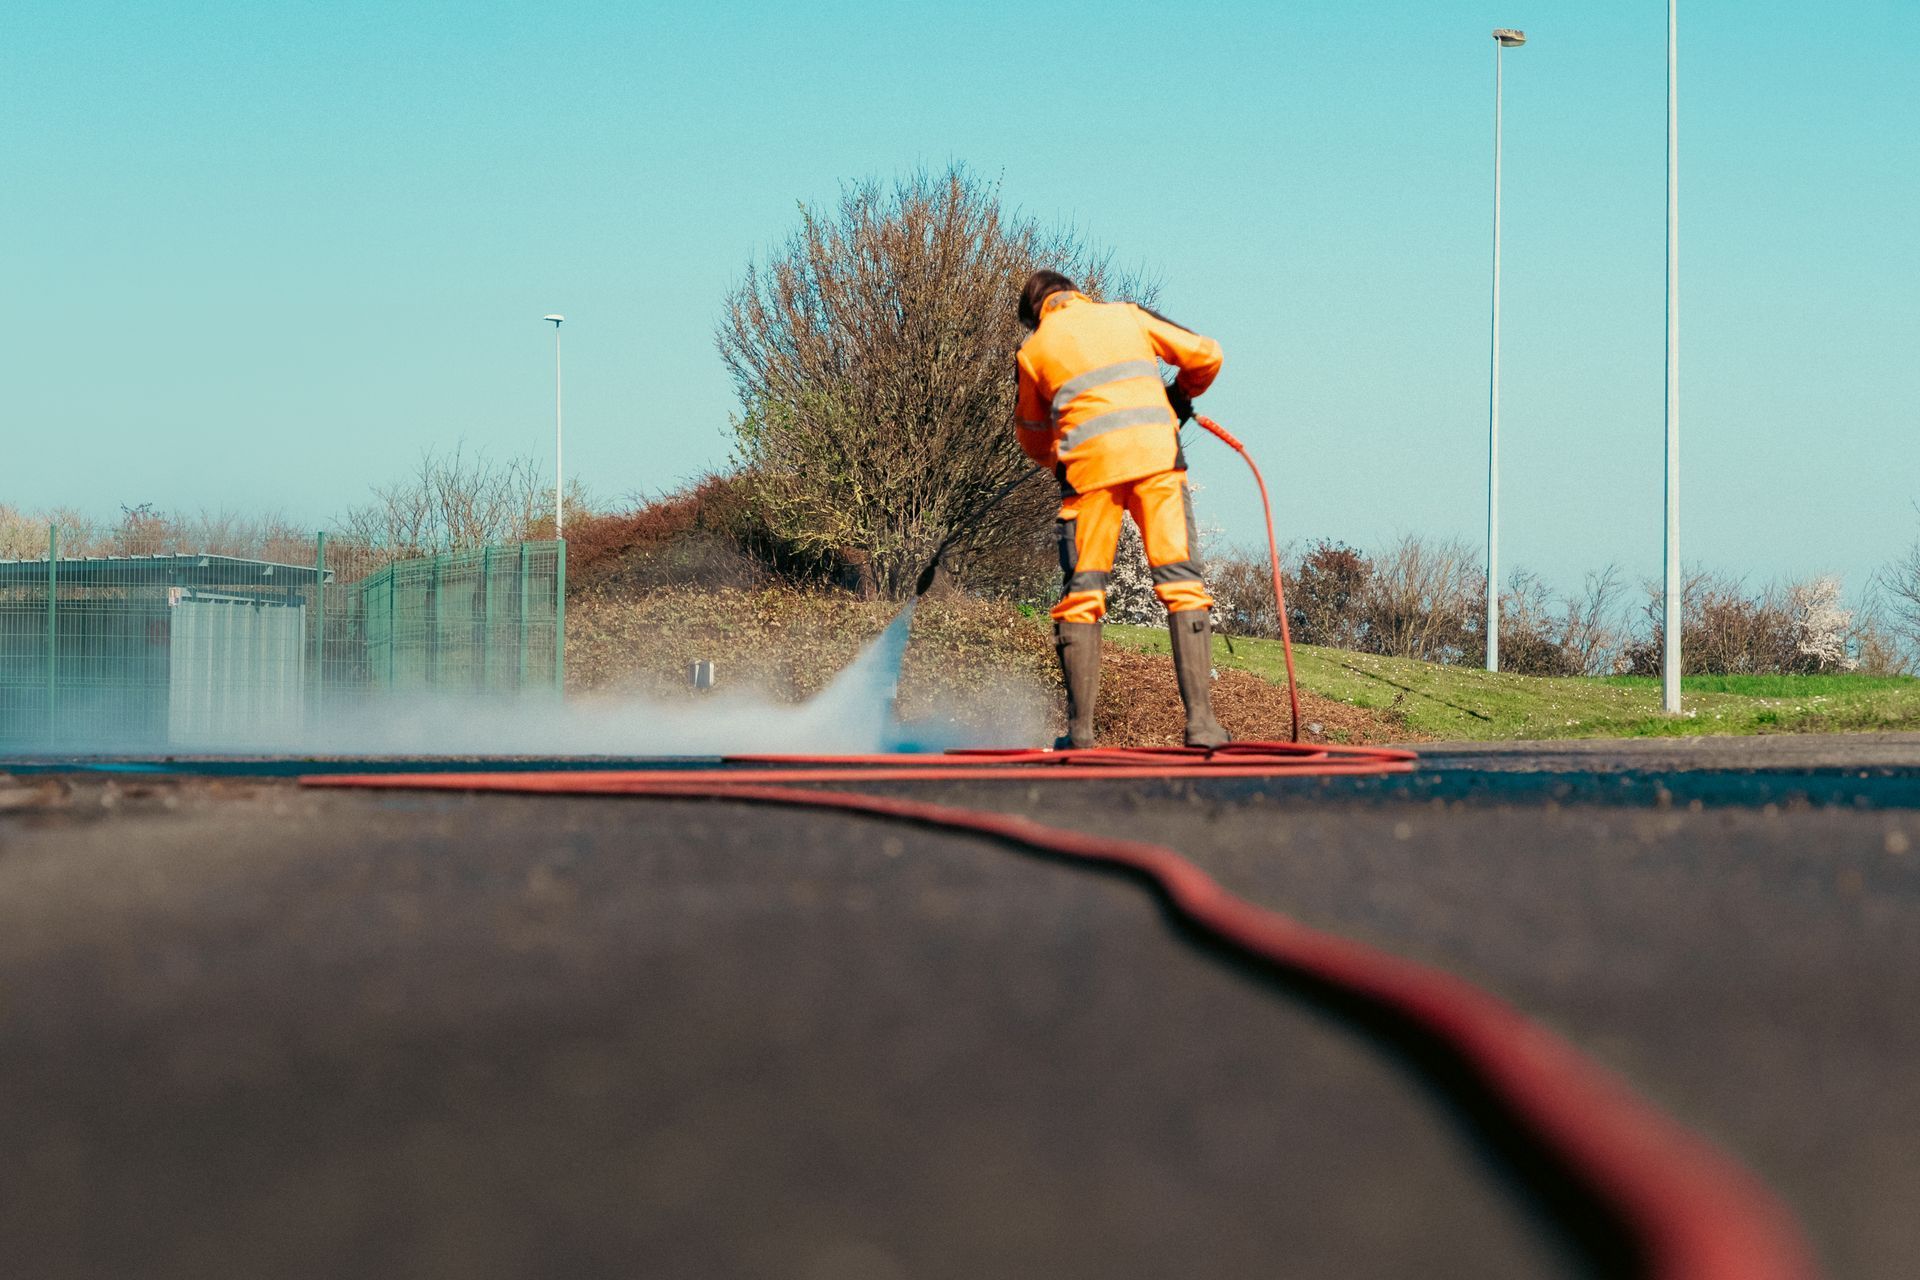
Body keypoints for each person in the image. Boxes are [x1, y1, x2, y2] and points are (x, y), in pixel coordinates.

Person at [1013, 269, 1228, 749]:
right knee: (1181, 583)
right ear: (1077, 292)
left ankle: (1082, 734)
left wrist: (1061, 461)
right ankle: (1201, 726)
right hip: (1157, 463)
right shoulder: (1126, 315)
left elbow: (1030, 433)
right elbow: (1207, 355)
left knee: (1084, 595)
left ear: (1034, 314)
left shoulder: (1033, 351)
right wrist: (1179, 395)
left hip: (1089, 475)